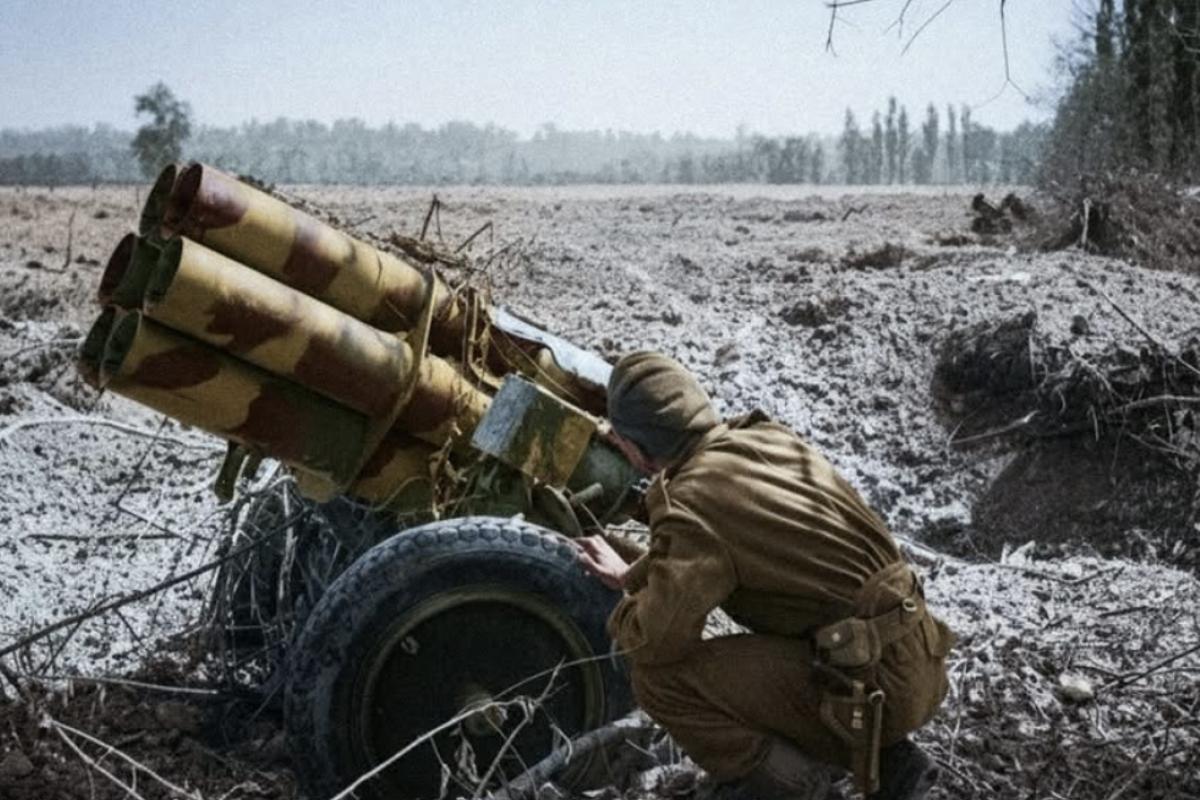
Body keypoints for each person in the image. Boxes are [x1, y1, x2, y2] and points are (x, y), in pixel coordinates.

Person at [575, 352, 954, 800]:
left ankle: (802, 790)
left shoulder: (693, 500)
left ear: (636, 450)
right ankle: (891, 764)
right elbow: (754, 546)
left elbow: (655, 642)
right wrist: (633, 576)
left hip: (875, 682)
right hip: (916, 657)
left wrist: (627, 610)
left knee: (660, 681)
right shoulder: (764, 438)